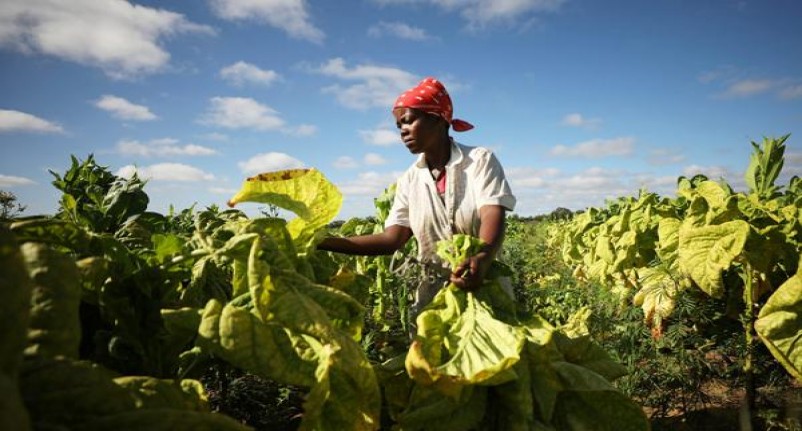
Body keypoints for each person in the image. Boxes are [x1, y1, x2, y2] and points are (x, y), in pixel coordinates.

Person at [318, 77, 516, 333]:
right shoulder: (409, 180)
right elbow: (391, 239)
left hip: (486, 289)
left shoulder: (479, 161)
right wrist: (323, 241)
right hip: (433, 300)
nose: (402, 130)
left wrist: (482, 258)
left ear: (438, 119)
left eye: (409, 120)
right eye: (399, 125)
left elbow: (492, 212)